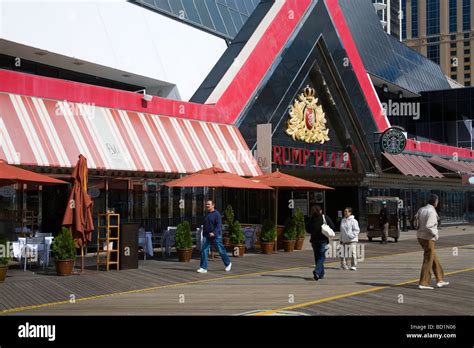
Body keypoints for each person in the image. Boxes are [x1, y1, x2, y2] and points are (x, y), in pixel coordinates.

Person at [415, 194, 449, 290]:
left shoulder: (421, 209)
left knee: (433, 256)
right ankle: (424, 283)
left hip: (420, 236)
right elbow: (429, 226)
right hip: (428, 237)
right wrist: (436, 234)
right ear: (435, 202)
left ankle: (440, 279)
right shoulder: (432, 212)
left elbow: (414, 220)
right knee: (428, 259)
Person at [197, 200, 232, 274]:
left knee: (220, 250)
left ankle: (228, 263)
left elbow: (218, 225)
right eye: (206, 204)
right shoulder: (207, 214)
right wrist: (204, 234)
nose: (207, 205)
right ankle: (203, 268)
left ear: (213, 205)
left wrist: (214, 232)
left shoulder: (217, 214)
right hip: (207, 236)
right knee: (204, 250)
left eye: (209, 204)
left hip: (215, 236)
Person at [307, 205, 334, 281]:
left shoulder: (311, 219)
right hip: (323, 241)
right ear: (320, 211)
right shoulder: (324, 217)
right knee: (322, 257)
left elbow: (307, 229)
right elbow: (332, 226)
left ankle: (320, 274)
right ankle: (317, 271)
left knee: (317, 257)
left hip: (314, 241)